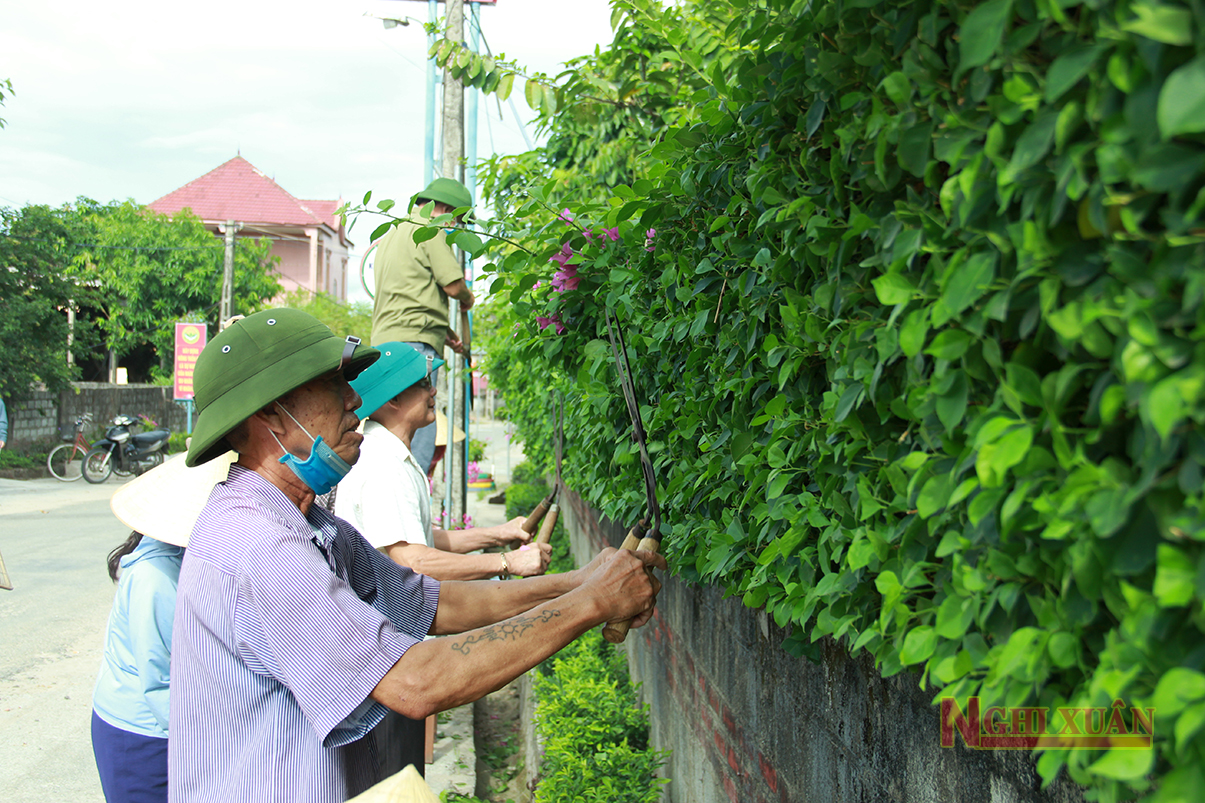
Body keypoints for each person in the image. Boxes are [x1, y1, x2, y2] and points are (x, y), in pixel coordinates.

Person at [170, 308, 663, 803]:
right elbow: (416, 681)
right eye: (331, 384)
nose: (355, 399)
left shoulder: (312, 526)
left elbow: (431, 604)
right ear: (271, 414)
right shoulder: (261, 546)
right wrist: (592, 602)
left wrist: (581, 582)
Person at [335, 342, 549, 581]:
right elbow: (416, 561)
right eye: (424, 383)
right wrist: (508, 561)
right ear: (394, 398)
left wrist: (500, 533)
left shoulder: (388, 452)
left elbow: (420, 537)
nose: (433, 391)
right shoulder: (384, 464)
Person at [90, 451, 234, 803]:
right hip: (141, 735)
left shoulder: (187, 558)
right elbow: (159, 681)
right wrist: (213, 744)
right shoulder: (155, 578)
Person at [370, 177, 477, 474]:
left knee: (390, 429)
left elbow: (411, 295)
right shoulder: (431, 229)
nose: (456, 229)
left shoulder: (393, 233)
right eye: (458, 220)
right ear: (442, 208)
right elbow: (454, 286)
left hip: (384, 343)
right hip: (415, 348)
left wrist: (449, 336)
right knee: (419, 426)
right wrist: (468, 298)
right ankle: (412, 497)